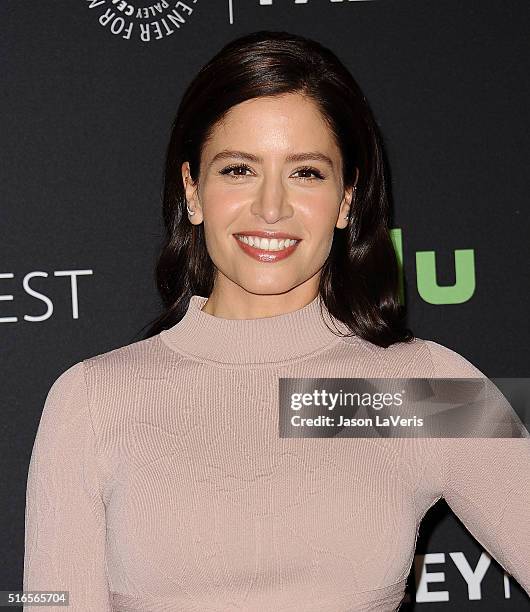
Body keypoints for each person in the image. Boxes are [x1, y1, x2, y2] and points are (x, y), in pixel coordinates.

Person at [23, 30, 530, 611]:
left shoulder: (421, 388)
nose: (271, 207)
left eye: (306, 173)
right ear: (193, 191)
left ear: (346, 199)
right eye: (239, 169)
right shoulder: (94, 398)